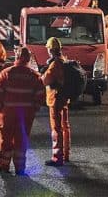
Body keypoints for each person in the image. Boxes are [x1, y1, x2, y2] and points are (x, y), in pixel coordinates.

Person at [0, 46, 45, 176]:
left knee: (5, 139)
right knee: (21, 140)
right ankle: (20, 168)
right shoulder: (34, 76)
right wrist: (35, 108)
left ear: (16, 57)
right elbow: (40, 95)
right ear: (28, 59)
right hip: (25, 115)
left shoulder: (6, 73)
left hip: (7, 113)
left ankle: (3, 165)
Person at [41, 37, 70, 166]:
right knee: (65, 126)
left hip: (55, 99)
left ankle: (57, 157)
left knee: (56, 128)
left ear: (51, 50)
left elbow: (45, 80)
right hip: (64, 97)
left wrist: (42, 74)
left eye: (48, 49)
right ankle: (65, 154)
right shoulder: (64, 60)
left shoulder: (55, 64)